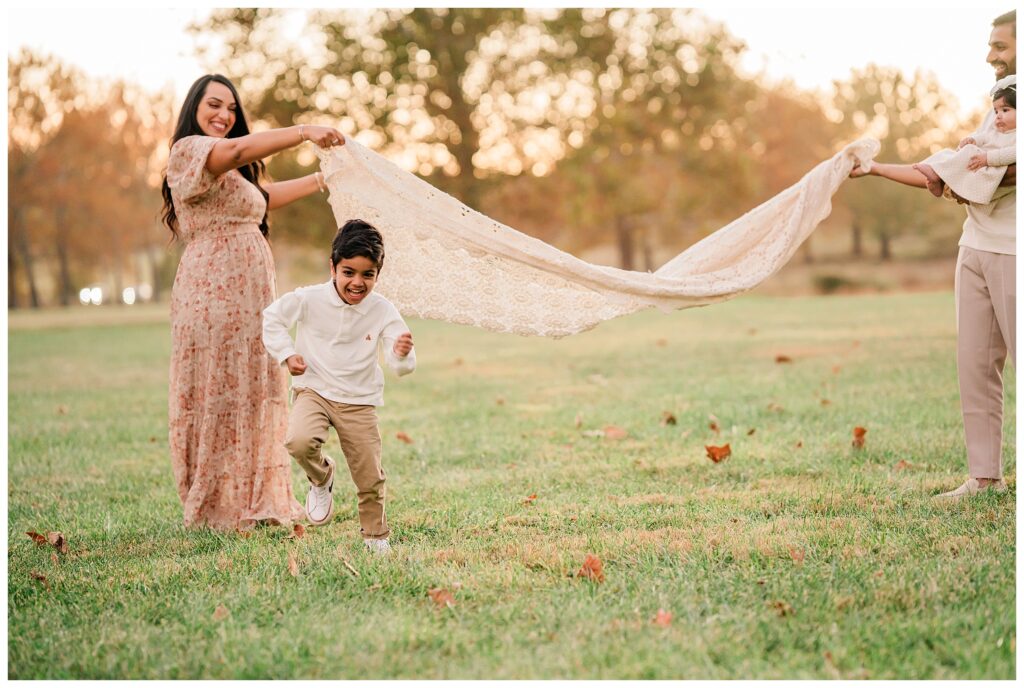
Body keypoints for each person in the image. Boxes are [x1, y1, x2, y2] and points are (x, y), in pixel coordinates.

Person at [161, 73, 346, 530]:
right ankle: (216, 500)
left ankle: (252, 496)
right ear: (194, 109)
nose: (223, 115)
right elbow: (241, 149)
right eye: (214, 105)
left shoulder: (233, 173)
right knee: (218, 388)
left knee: (250, 387)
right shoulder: (189, 150)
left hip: (251, 293)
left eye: (231, 108)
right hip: (211, 291)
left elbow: (265, 199)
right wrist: (304, 132)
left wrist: (323, 179)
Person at [850, 10, 1016, 500]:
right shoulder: (1002, 102)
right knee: (975, 363)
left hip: (1015, 250)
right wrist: (877, 169)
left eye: (1001, 46)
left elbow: (986, 174)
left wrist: (961, 176)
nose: (990, 55)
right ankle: (984, 477)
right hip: (977, 246)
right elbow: (955, 171)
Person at [262, 220, 416, 554]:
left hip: (359, 400)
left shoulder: (383, 310)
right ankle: (321, 478)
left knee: (369, 474)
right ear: (332, 266)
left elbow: (401, 363)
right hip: (314, 390)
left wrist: (401, 354)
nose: (357, 283)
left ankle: (375, 537)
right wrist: (287, 354)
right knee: (299, 441)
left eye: (367, 275)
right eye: (348, 272)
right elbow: (271, 319)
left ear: (378, 274)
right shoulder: (308, 299)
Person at [913, 80, 1016, 203]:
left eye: (1005, 110)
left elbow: (1013, 153)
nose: (998, 116)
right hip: (984, 167)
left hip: (996, 171)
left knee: (969, 153)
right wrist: (973, 140)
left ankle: (938, 175)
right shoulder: (997, 132)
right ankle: (941, 182)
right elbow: (985, 137)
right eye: (996, 111)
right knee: (951, 153)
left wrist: (987, 159)